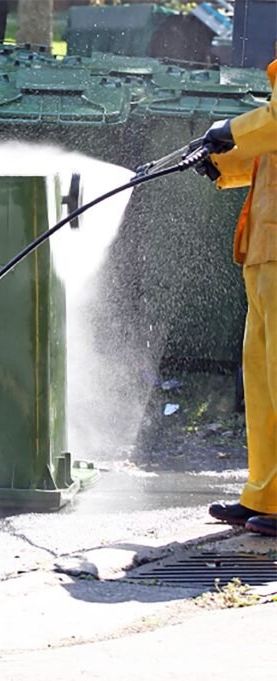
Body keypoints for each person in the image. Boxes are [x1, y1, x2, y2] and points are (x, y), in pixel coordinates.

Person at [196, 56, 277, 538]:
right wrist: (224, 161)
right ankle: (265, 494)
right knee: (264, 377)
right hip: (266, 246)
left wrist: (231, 129)